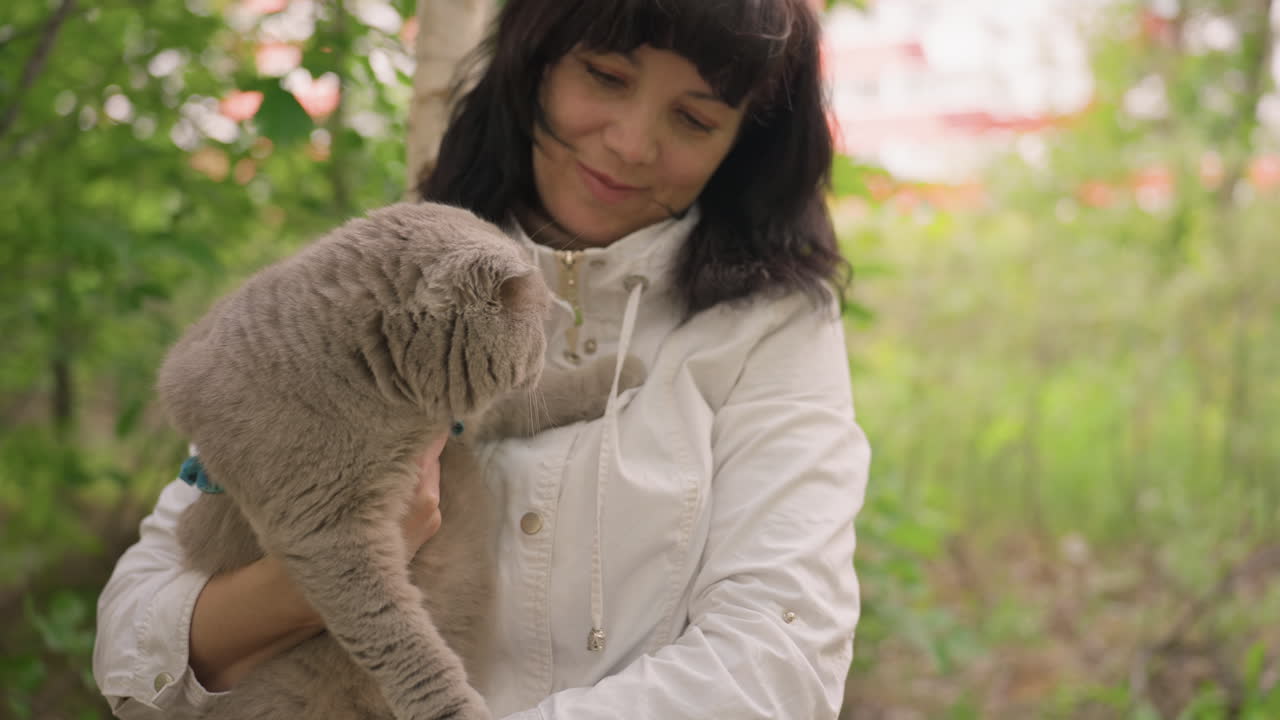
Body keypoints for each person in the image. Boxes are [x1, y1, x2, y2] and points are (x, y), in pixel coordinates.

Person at [93, 0, 872, 717]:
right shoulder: (386, 278)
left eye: (695, 119)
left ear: (743, 146)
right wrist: (317, 577)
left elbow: (781, 663)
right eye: (605, 76)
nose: (632, 144)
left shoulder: (770, 329)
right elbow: (132, 647)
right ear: (535, 61)